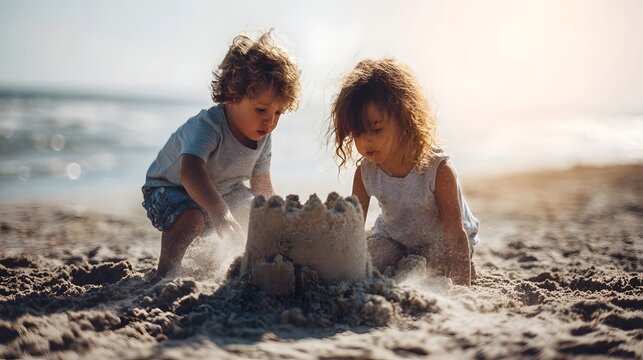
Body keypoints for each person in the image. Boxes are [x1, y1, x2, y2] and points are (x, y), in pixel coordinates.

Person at [142, 31, 300, 278]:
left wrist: (277, 217)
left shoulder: (263, 135)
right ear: (231, 95)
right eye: (261, 109)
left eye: (278, 112)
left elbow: (261, 182)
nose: (270, 121)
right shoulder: (209, 126)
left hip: (224, 189)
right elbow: (190, 172)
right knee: (193, 218)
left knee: (256, 210)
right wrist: (221, 214)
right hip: (169, 188)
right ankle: (167, 269)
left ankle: (240, 259)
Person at [329, 58, 479, 286]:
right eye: (358, 133)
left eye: (376, 128)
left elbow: (454, 234)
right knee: (373, 258)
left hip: (441, 241)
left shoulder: (437, 170)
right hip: (395, 238)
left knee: (435, 264)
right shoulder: (366, 173)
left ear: (404, 118)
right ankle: (403, 261)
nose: (367, 140)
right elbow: (353, 229)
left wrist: (462, 286)